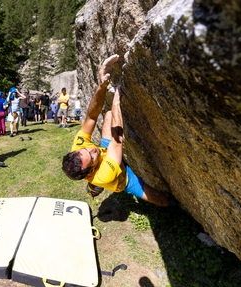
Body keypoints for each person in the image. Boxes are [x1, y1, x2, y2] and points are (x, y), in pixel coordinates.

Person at [61, 55, 170, 207]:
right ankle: (95, 186)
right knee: (162, 200)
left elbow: (91, 117)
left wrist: (102, 85)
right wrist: (117, 102)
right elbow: (117, 140)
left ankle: (93, 187)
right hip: (123, 177)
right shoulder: (104, 176)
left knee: (108, 115)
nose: (92, 149)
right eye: (91, 157)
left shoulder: (79, 148)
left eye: (87, 149)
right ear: (91, 171)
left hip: (106, 151)